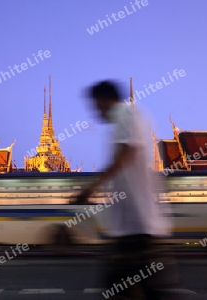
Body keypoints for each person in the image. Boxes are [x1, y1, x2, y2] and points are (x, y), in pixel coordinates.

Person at [72, 80, 178, 299]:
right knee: (137, 289)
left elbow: (125, 155)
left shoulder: (125, 115)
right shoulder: (125, 119)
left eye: (96, 106)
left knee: (128, 287)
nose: (95, 113)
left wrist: (91, 188)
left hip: (137, 227)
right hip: (133, 227)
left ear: (104, 100)